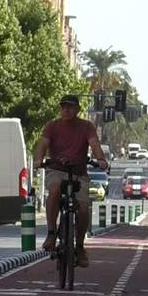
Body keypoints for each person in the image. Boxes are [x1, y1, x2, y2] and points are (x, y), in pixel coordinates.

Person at [33, 95, 108, 268]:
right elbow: (42, 146)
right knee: (54, 191)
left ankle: (80, 246)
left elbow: (95, 145)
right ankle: (51, 234)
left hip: (79, 172)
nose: (66, 110)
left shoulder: (86, 127)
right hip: (56, 169)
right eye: (63, 106)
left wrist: (100, 159)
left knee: (82, 208)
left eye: (70, 107)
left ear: (78, 109)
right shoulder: (52, 126)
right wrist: (39, 160)